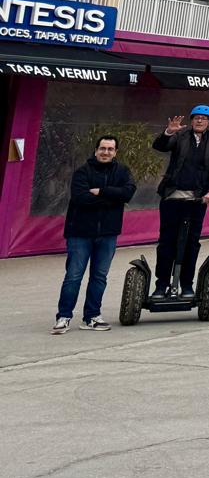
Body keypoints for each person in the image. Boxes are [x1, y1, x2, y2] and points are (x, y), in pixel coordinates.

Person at [54, 134, 136, 332]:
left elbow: (128, 193)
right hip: (80, 233)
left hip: (108, 234)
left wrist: (101, 191)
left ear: (115, 152)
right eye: (102, 148)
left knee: (99, 277)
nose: (105, 152)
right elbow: (81, 198)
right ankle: (64, 316)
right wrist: (113, 197)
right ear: (96, 150)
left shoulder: (123, 172)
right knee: (74, 276)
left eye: (110, 149)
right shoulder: (82, 172)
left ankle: (91, 317)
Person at [151, 104, 209, 298]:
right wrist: (167, 132)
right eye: (196, 117)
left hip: (197, 200)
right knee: (167, 242)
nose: (200, 120)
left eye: (204, 118)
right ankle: (162, 285)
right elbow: (160, 146)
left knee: (191, 243)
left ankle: (186, 285)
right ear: (191, 120)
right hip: (172, 197)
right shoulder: (179, 136)